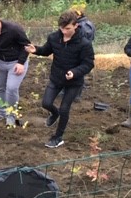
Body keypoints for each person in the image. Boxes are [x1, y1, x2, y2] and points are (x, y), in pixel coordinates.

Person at [25, 10, 95, 149]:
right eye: (62, 28)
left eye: (67, 28)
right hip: (57, 77)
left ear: (76, 26)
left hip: (74, 82)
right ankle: (54, 113)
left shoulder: (84, 43)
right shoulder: (54, 38)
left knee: (64, 109)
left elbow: (88, 64)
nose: (64, 31)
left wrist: (75, 72)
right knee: (46, 103)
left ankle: (58, 137)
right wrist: (36, 50)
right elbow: (46, 50)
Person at [0, 11, 31, 126]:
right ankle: (1, 112)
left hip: (16, 62)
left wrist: (21, 62)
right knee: (0, 87)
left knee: (11, 88)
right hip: (1, 62)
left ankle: (11, 115)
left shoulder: (13, 29)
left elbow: (26, 46)